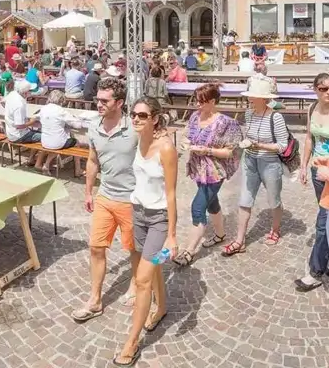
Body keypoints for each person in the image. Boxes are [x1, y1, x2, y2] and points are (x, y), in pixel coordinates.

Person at [114, 96, 178, 367]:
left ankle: (131, 342)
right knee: (152, 268)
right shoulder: (139, 138)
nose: (136, 119)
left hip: (159, 219)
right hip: (137, 212)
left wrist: (173, 236)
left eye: (142, 115)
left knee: (141, 280)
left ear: (155, 118)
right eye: (134, 114)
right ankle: (161, 307)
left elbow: (173, 193)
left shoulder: (166, 148)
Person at [72, 77, 139, 324]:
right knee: (96, 247)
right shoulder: (94, 126)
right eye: (97, 99)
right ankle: (95, 300)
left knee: (134, 249)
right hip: (105, 197)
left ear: (119, 103)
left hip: (131, 200)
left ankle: (135, 283)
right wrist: (88, 192)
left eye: (104, 100)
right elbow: (92, 160)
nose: (98, 104)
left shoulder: (134, 127)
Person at [173, 84, 240, 267]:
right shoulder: (195, 117)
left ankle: (189, 251)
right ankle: (219, 235)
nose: (197, 104)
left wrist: (208, 150)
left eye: (201, 101)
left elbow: (230, 152)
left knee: (197, 207)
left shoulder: (226, 123)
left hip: (214, 172)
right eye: (196, 100)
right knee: (212, 202)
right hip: (198, 170)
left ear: (212, 101)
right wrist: (186, 144)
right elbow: (188, 136)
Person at [223, 76, 287, 256]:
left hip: (269, 162)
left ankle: (275, 229)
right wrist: (239, 143)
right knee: (245, 199)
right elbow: (248, 137)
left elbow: (282, 146)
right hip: (250, 160)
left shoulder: (276, 117)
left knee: (274, 200)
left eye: (254, 96)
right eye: (250, 95)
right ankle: (239, 240)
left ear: (264, 98)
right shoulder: (249, 114)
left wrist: (260, 145)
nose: (250, 98)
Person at [295, 72, 329, 291]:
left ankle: (316, 271)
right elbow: (309, 138)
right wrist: (304, 165)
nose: (328, 93)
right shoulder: (312, 109)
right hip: (319, 173)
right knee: (325, 218)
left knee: (323, 222)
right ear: (316, 89)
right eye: (324, 88)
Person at [34, 90, 84, 173]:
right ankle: (78, 170)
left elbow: (35, 116)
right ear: (61, 100)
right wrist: (76, 118)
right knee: (76, 142)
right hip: (57, 143)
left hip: (45, 141)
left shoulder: (43, 109)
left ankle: (46, 164)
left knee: (53, 143)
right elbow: (77, 125)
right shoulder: (61, 111)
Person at [4, 79, 42, 147]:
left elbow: (2, 101)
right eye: (30, 91)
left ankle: (32, 156)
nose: (31, 93)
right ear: (25, 93)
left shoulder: (12, 94)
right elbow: (19, 126)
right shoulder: (19, 104)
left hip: (10, 132)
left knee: (40, 132)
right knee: (46, 137)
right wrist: (32, 121)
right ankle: (35, 157)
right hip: (18, 136)